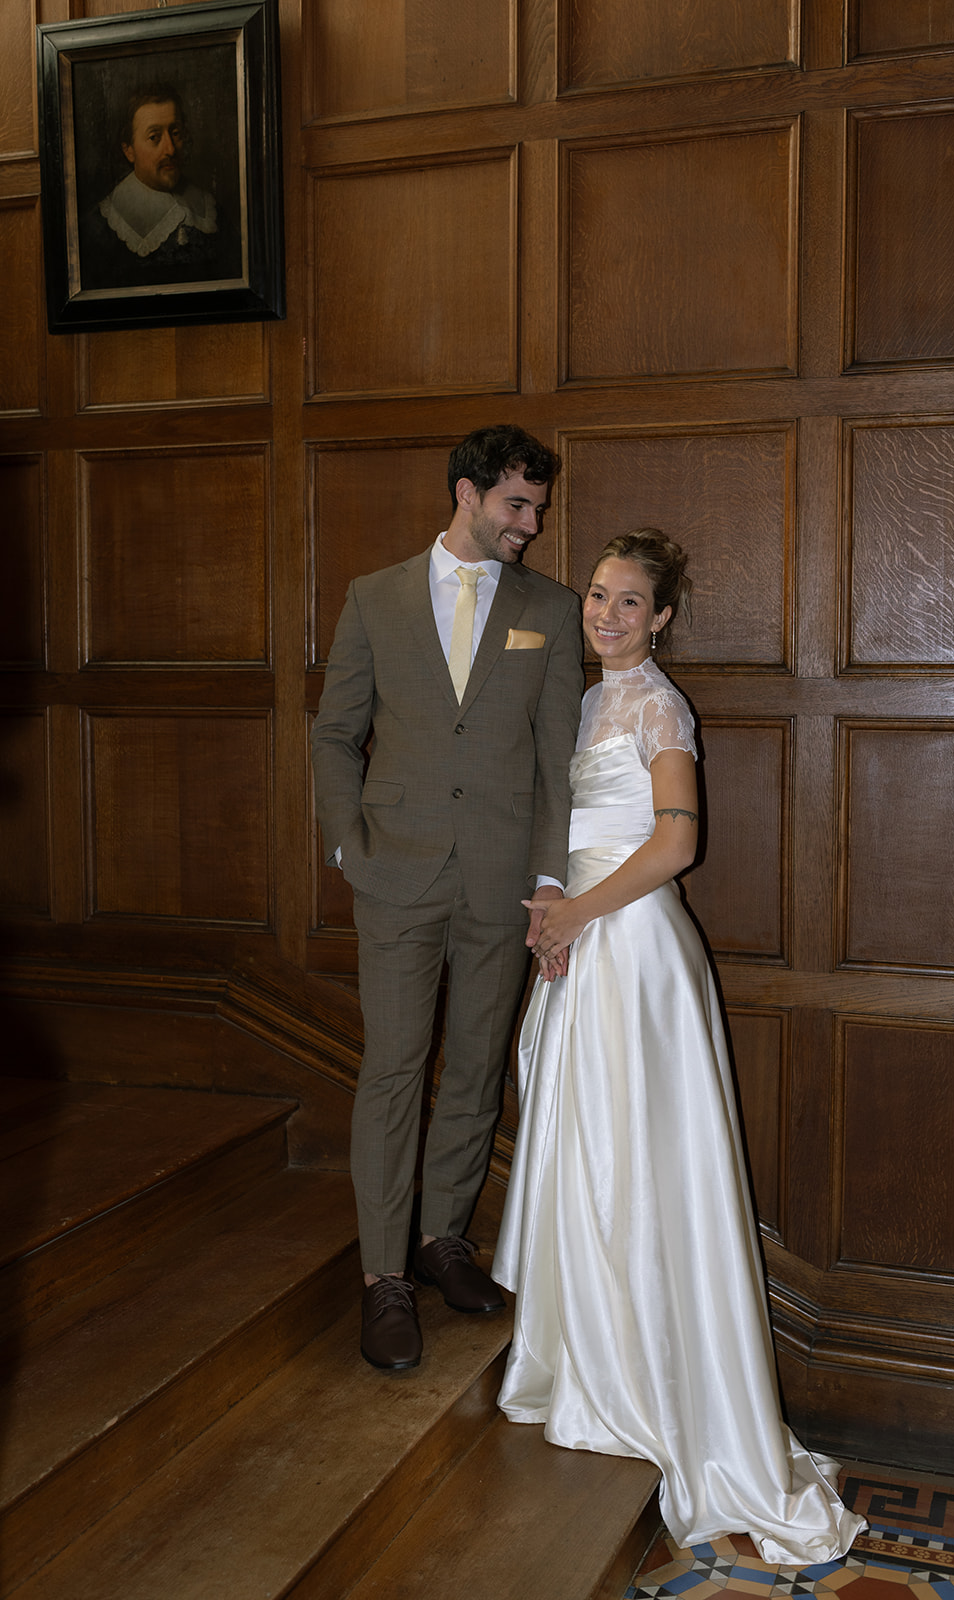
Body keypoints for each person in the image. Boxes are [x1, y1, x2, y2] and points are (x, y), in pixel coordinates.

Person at [493, 529, 865, 1565]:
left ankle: (651, 1383)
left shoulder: (659, 701)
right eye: (598, 597)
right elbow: (585, 828)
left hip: (640, 956)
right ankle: (596, 1367)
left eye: (628, 603)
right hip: (592, 938)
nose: (606, 615)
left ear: (661, 618)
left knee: (643, 1165)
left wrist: (584, 916)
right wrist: (556, 898)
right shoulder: (589, 698)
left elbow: (675, 843)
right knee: (595, 1158)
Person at [311, 425, 585, 1373]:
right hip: (396, 873)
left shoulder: (550, 609)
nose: (532, 524)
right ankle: (384, 1278)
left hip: (502, 884)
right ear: (468, 494)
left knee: (473, 1071)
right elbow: (334, 733)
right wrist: (351, 843)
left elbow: (560, 759)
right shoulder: (375, 597)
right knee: (393, 1070)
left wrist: (549, 879)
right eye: (518, 504)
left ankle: (442, 1244)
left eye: (538, 508)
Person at [79, 84, 222, 290]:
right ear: (129, 151)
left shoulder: (212, 212)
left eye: (176, 133)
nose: (170, 149)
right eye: (154, 137)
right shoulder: (99, 230)